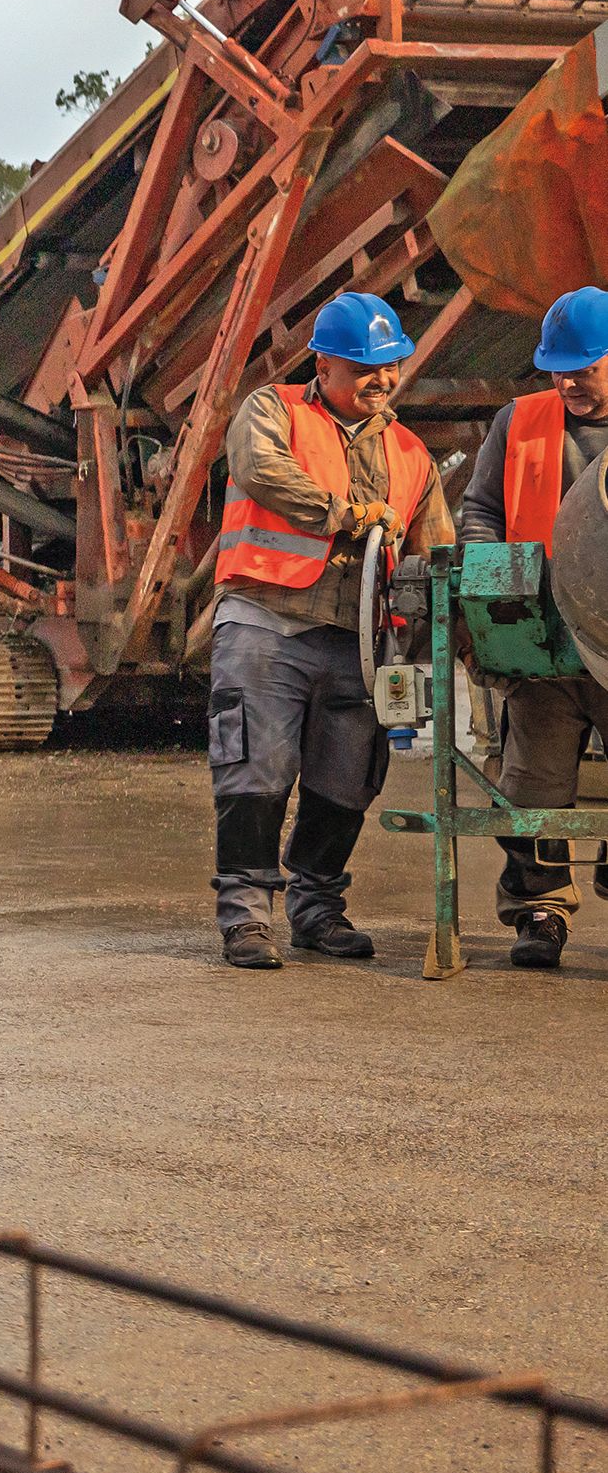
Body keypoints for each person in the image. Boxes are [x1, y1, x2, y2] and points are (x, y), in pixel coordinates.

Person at [209, 290, 454, 969]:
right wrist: (344, 515)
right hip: (267, 623)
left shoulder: (410, 454)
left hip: (357, 641)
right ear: (323, 364)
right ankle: (247, 917)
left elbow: (437, 549)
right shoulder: (273, 411)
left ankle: (316, 909)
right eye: (364, 367)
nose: (381, 379)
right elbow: (259, 471)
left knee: (346, 782)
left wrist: (455, 634)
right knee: (254, 772)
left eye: (391, 365)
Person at [456, 285, 608, 967]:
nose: (569, 380)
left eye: (585, 365)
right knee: (532, 786)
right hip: (541, 642)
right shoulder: (519, 421)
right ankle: (538, 909)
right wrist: (493, 581)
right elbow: (480, 510)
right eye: (557, 366)